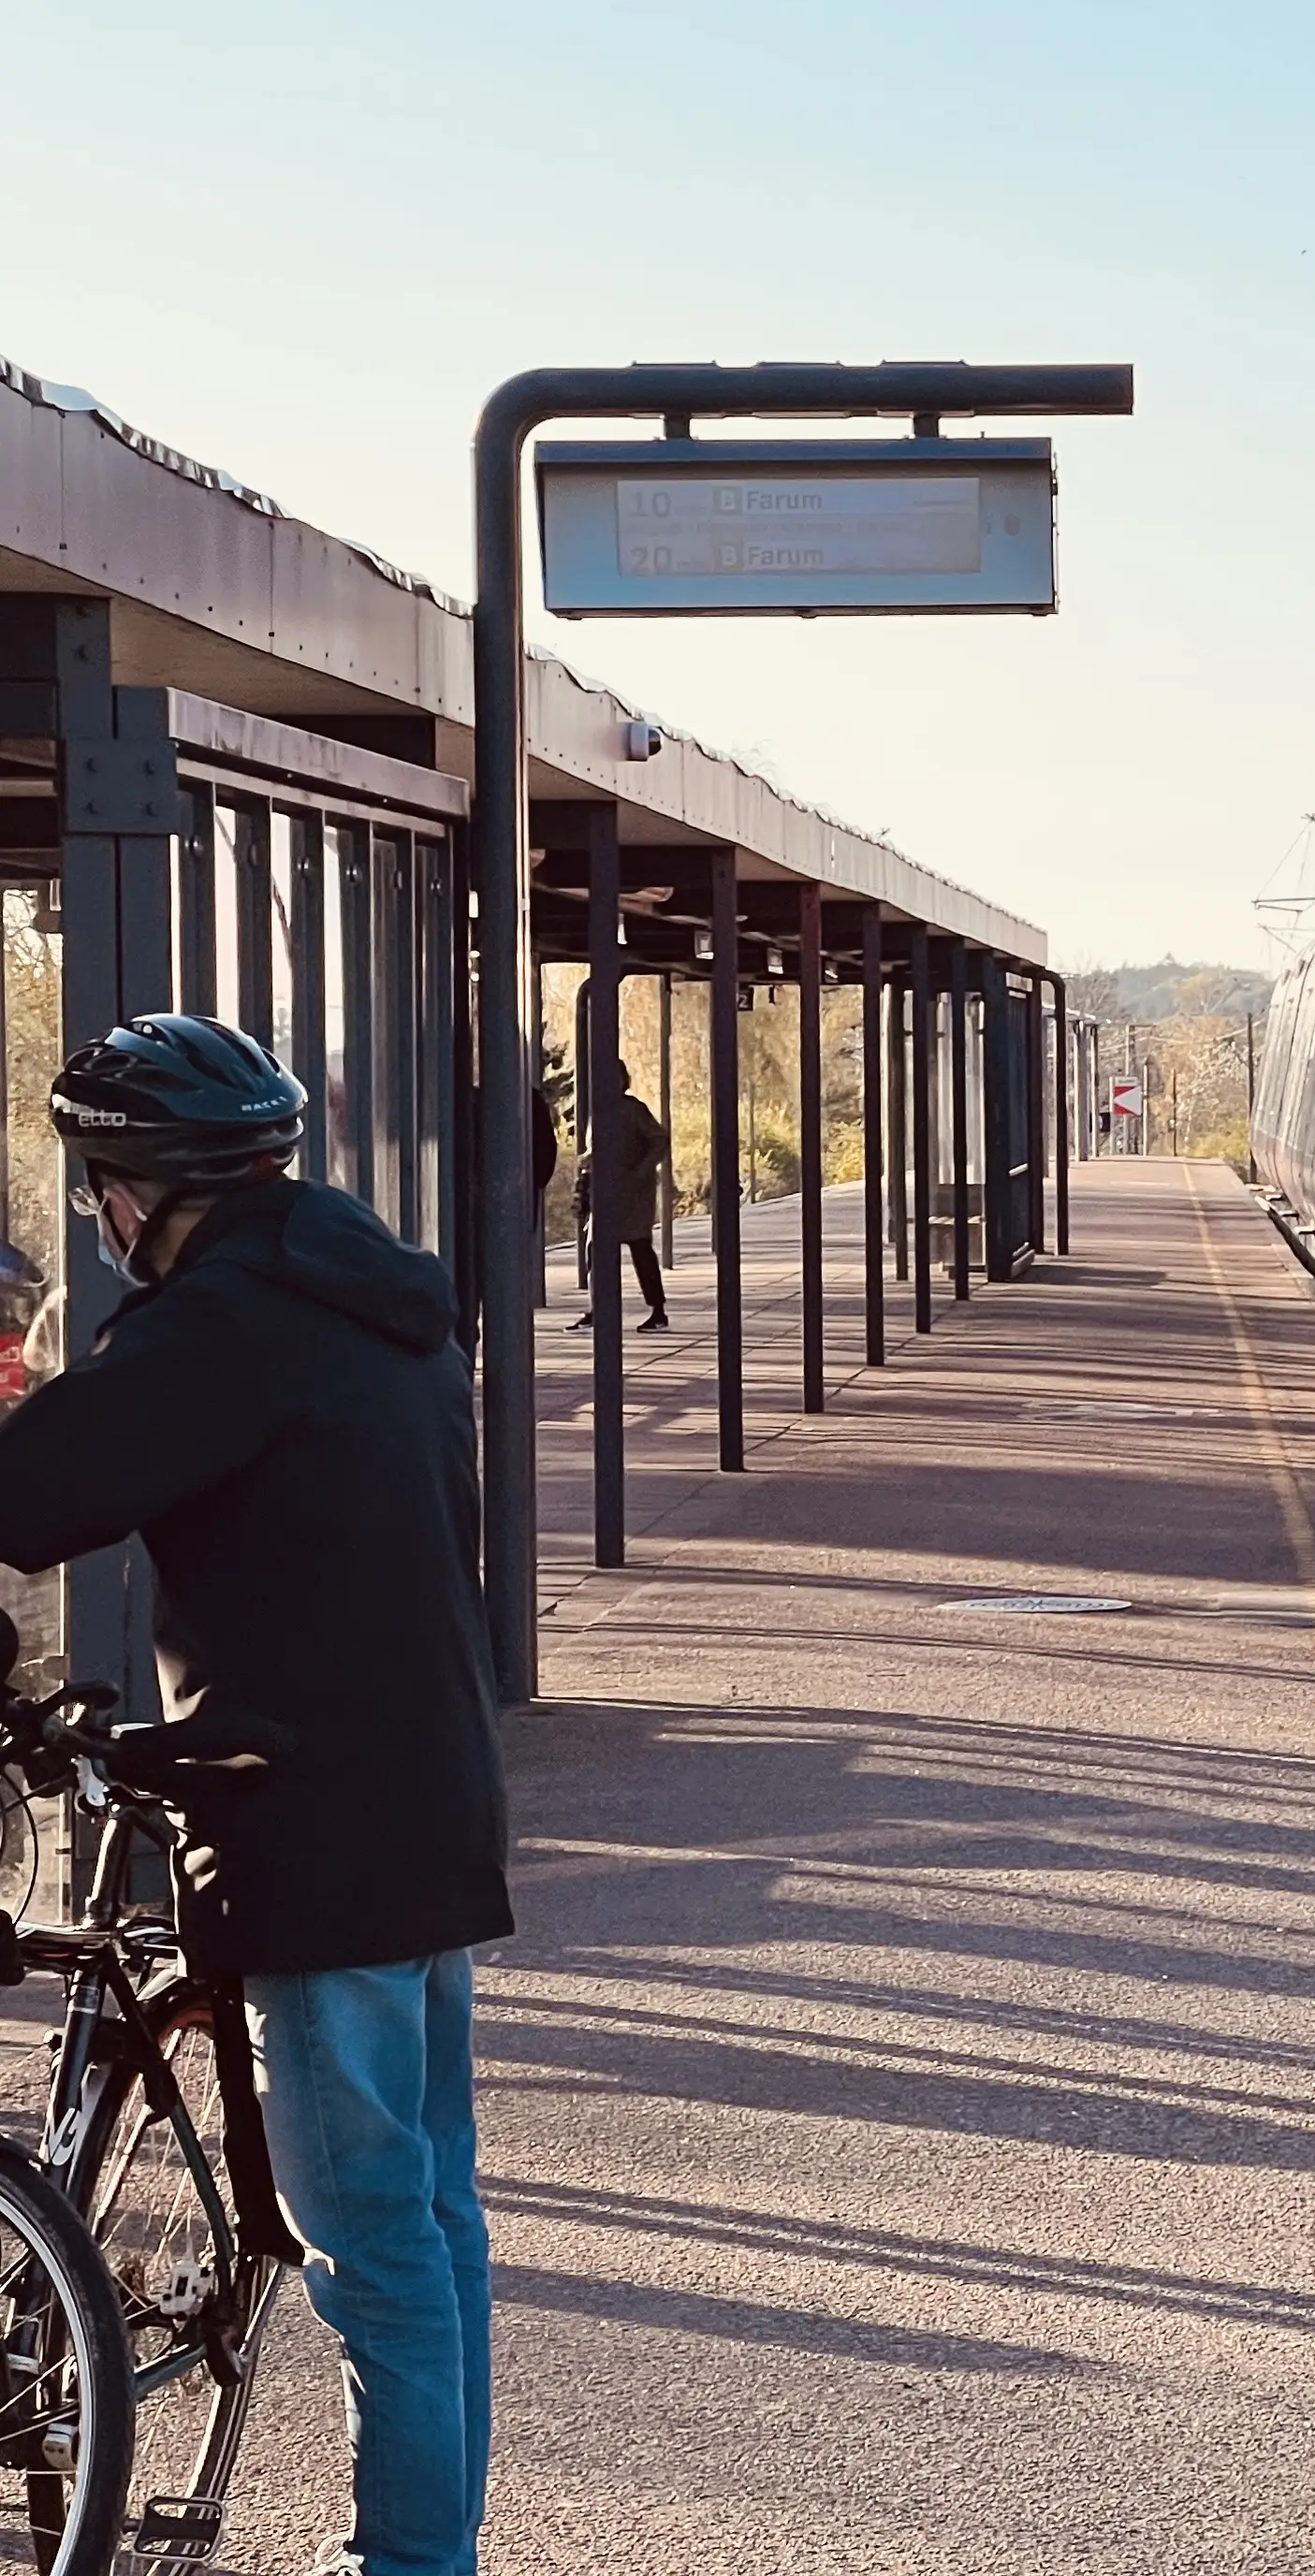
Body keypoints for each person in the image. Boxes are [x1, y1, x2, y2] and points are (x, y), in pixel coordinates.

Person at [0, 1014, 504, 2576]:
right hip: (426, 1809)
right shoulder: (378, 1292)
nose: (98, 1216)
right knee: (433, 2221)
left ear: (138, 1187)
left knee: (374, 2245)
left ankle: (411, 2562)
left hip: (310, 1827)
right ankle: (436, 2544)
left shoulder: (223, 1325)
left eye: (100, 1184)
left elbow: (34, 1497)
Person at [565, 1058, 671, 1332]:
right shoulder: (600, 1111)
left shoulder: (633, 1110)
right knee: (596, 1250)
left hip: (632, 1195)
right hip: (606, 1193)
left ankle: (657, 1310)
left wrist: (640, 1171)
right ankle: (598, 1307)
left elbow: (659, 1140)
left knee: (640, 1250)